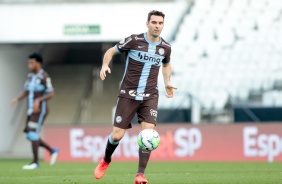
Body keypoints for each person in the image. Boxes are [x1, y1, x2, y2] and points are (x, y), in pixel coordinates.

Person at [94, 10, 176, 184]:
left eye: (160, 23)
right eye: (154, 22)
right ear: (147, 24)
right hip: (128, 94)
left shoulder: (165, 48)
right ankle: (106, 160)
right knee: (117, 135)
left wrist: (167, 81)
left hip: (150, 96)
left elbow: (166, 65)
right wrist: (104, 65)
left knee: (148, 134)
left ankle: (140, 175)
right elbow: (110, 51)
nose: (157, 26)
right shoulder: (134, 40)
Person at [11, 53, 59, 170]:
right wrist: (17, 98)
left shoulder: (44, 76)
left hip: (40, 110)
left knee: (33, 134)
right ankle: (52, 150)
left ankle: (35, 162)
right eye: (29, 63)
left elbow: (51, 93)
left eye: (32, 62)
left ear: (38, 63)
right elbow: (26, 91)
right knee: (29, 134)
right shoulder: (30, 77)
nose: (29, 65)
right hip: (31, 110)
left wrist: (39, 100)